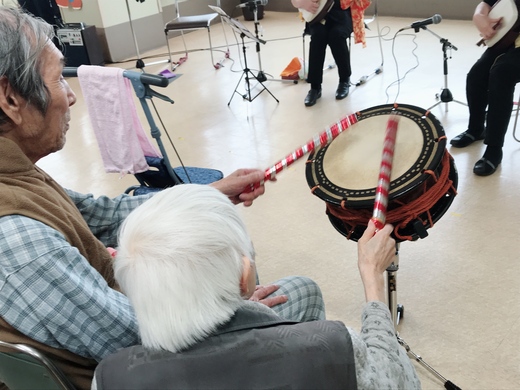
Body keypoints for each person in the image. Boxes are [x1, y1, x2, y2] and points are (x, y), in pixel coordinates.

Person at [0, 6, 324, 390]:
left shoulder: (16, 173)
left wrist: (212, 194)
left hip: (125, 341)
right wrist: (239, 314)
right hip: (143, 372)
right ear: (10, 98)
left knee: (225, 253)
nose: (71, 97)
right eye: (59, 79)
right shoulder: (18, 242)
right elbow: (135, 341)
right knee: (300, 293)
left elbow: (98, 214)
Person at [92, 184, 421, 390]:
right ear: (245, 277)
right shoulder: (332, 346)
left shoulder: (110, 378)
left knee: (301, 290)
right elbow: (402, 382)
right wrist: (372, 277)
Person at [450, 0, 520, 176]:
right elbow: (486, 3)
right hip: (509, 37)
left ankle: (494, 148)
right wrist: (479, 15)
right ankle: (476, 129)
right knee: (476, 76)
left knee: (501, 74)